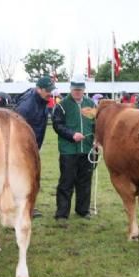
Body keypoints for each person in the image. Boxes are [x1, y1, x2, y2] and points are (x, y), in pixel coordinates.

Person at [52, 74, 96, 224]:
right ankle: (62, 214)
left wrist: (97, 140)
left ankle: (83, 210)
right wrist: (72, 135)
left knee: (85, 182)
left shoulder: (91, 104)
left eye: (80, 89)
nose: (77, 92)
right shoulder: (62, 105)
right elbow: (57, 125)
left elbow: (96, 124)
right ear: (70, 89)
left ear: (84, 89)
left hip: (88, 149)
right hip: (68, 150)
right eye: (75, 89)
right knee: (66, 182)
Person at [15, 76, 56, 219]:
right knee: (24, 178)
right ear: (39, 89)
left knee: (32, 178)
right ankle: (23, 208)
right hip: (22, 149)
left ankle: (28, 206)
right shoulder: (27, 106)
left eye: (51, 90)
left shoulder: (41, 101)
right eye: (47, 91)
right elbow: (16, 129)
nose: (50, 93)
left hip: (34, 146)